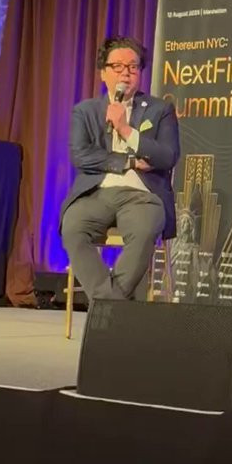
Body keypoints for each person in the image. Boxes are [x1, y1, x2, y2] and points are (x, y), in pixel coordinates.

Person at [60, 35, 180, 302]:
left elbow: (167, 156)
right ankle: (112, 303)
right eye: (118, 66)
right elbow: (81, 156)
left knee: (145, 230)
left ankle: (106, 305)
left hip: (142, 195)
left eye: (133, 67)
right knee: (72, 227)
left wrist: (126, 129)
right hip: (96, 193)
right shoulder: (86, 111)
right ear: (103, 72)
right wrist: (129, 161)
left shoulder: (160, 110)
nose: (126, 72)